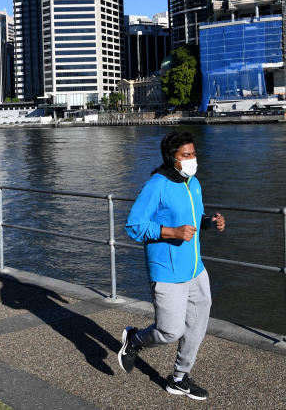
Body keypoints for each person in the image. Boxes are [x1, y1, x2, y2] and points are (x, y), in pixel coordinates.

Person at [117, 131, 225, 401]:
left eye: (193, 153)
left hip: (196, 270)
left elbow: (194, 218)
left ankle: (179, 378)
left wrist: (209, 223)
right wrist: (172, 233)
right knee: (169, 331)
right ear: (172, 158)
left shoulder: (193, 183)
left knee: (197, 326)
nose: (191, 159)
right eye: (185, 155)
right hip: (167, 272)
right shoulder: (157, 185)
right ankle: (135, 340)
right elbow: (134, 226)